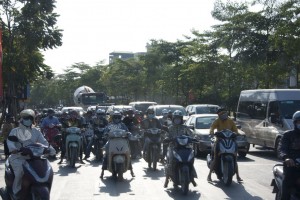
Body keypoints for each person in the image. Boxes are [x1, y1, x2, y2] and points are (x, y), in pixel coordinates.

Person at [6, 109, 55, 199]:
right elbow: (10, 141)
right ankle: (16, 192)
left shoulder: (36, 131)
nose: (28, 119)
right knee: (20, 171)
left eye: (30, 118)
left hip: (34, 158)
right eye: (26, 117)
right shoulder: (15, 131)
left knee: (47, 169)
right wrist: (14, 149)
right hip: (18, 157)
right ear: (22, 119)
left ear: (33, 119)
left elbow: (44, 142)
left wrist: (51, 150)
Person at [207, 108, 243, 182]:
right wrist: (211, 132)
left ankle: (238, 176)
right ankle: (209, 175)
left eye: (224, 113)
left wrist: (236, 133)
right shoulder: (217, 121)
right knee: (216, 158)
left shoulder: (230, 121)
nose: (223, 115)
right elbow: (212, 127)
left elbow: (235, 129)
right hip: (219, 141)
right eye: (221, 114)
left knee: (234, 158)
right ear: (219, 115)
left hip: (230, 141)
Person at [164, 110, 195, 187]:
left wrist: (194, 138)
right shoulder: (170, 128)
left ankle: (192, 178)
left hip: (185, 147)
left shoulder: (185, 127)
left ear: (181, 119)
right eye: (176, 118)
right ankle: (167, 179)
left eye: (179, 118)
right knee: (170, 162)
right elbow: (166, 135)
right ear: (173, 119)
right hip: (173, 147)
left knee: (190, 160)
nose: (177, 120)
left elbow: (191, 134)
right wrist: (167, 138)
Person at [100, 111, 135, 178]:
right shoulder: (109, 125)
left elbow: (127, 131)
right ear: (113, 118)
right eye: (115, 117)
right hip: (111, 141)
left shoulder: (123, 125)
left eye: (118, 117)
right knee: (106, 154)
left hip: (122, 141)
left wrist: (129, 134)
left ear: (120, 118)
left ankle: (131, 171)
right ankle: (102, 172)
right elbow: (105, 132)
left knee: (128, 154)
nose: (117, 119)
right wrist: (105, 134)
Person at [279, 111, 300, 200]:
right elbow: (282, 149)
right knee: (288, 183)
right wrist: (286, 158)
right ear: (295, 122)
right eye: (299, 122)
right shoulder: (288, 135)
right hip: (292, 166)